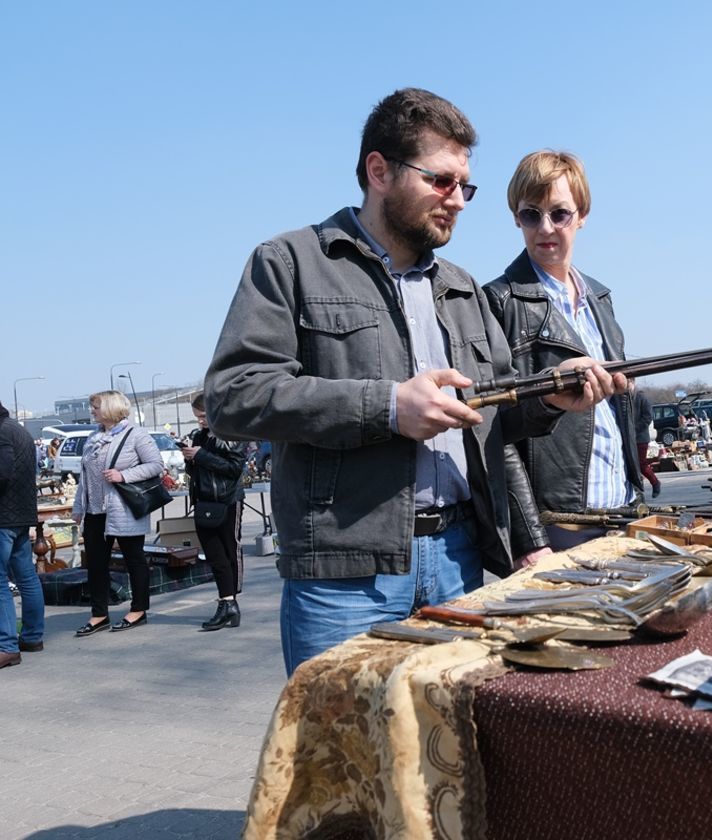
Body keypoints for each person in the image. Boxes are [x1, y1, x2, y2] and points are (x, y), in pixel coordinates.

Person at [203, 88, 621, 675]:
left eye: (464, 186)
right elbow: (232, 395)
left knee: (444, 750)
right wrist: (387, 407)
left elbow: (494, 410)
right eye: (441, 181)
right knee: (346, 755)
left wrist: (550, 396)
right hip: (347, 574)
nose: (458, 200)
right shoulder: (290, 262)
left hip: (457, 557)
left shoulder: (461, 287)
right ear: (379, 170)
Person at [483, 150, 640, 557]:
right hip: (559, 526)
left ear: (582, 214)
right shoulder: (499, 301)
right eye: (531, 214)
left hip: (624, 509)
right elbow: (492, 431)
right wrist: (529, 539)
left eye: (560, 213)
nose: (545, 227)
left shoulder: (600, 298)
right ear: (516, 218)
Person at [72, 391, 164, 636]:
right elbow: (84, 476)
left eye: (96, 407)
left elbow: (156, 465)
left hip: (123, 509)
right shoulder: (93, 437)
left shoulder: (136, 435)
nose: (92, 411)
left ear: (111, 408)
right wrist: (78, 507)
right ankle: (99, 614)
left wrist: (123, 475)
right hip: (94, 511)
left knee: (134, 559)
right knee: (96, 564)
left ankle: (139, 609)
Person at [182, 392, 247, 631]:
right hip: (204, 501)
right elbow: (196, 471)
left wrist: (201, 455)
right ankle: (227, 603)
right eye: (197, 417)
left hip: (227, 501)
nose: (199, 421)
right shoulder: (199, 436)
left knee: (230, 551)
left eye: (203, 416)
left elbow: (233, 469)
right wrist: (190, 456)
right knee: (214, 555)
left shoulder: (231, 435)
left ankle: (229, 602)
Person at [0, 400, 42, 668]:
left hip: (4, 517)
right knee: (26, 577)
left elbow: (2, 474)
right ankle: (32, 637)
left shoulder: (2, 432)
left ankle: (6, 646)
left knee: (1, 582)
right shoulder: (18, 429)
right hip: (20, 515)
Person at [627, 379, 661, 499]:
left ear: (632, 382)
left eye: (628, 383)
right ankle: (636, 491)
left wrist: (634, 429)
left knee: (641, 464)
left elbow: (648, 417)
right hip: (628, 438)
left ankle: (655, 483)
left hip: (640, 437)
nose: (626, 386)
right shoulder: (625, 398)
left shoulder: (641, 397)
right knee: (630, 465)